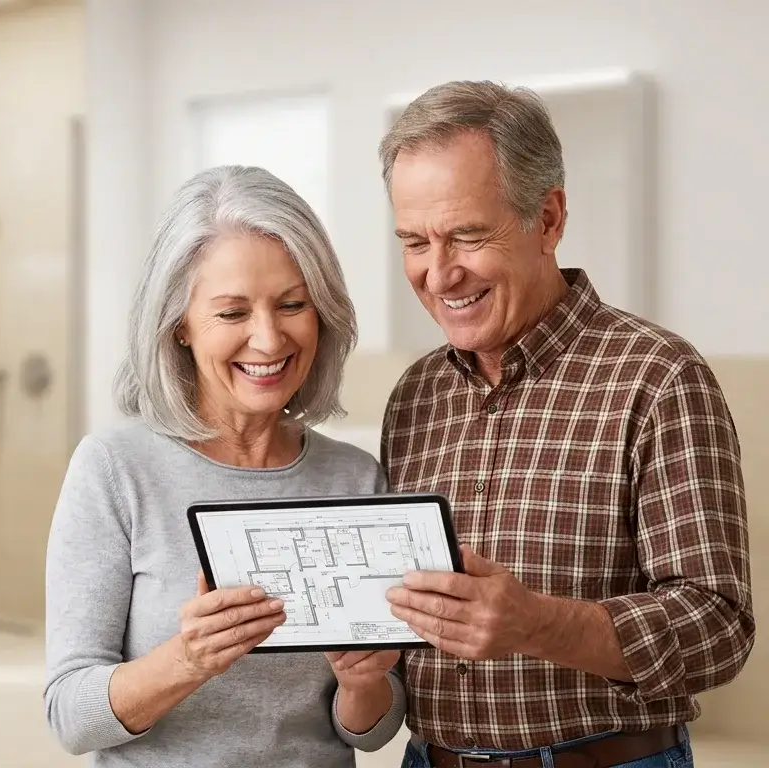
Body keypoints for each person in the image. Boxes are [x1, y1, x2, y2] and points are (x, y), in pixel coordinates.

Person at [377, 80, 755, 768]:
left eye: (465, 234)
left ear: (548, 219)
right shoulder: (414, 397)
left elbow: (719, 627)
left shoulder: (659, 376)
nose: (438, 274)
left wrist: (539, 624)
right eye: (414, 241)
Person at [42, 164, 407, 766]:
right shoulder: (115, 469)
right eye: (233, 313)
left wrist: (362, 682)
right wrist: (188, 660)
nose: (268, 340)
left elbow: (372, 729)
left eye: (292, 304)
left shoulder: (354, 479)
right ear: (179, 323)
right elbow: (70, 717)